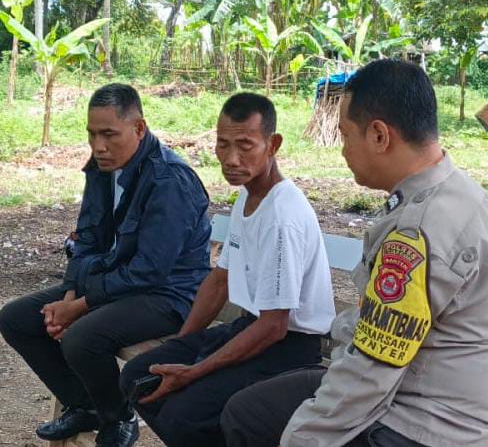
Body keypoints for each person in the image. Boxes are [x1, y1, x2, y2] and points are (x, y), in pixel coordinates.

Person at [220, 59, 488, 447]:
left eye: (346, 136)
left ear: (379, 135)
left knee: (264, 423)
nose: (344, 151)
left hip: (419, 421)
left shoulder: (417, 231)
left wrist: (302, 436)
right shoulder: (460, 191)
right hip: (425, 390)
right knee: (250, 409)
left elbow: (374, 368)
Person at [0, 84, 212, 447]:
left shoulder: (170, 180)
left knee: (82, 337)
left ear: (138, 128)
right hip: (116, 283)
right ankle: (87, 405)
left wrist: (79, 307)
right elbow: (87, 239)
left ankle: (119, 416)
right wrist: (69, 294)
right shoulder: (102, 169)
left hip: (170, 295)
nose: (99, 146)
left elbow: (149, 271)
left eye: (109, 134)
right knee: (16, 319)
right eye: (92, 134)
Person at [118, 92, 336, 447]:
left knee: (183, 415)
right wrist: (182, 344)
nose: (231, 159)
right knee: (139, 377)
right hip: (248, 328)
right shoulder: (248, 195)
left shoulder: (282, 216)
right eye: (223, 144)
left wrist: (193, 371)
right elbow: (220, 280)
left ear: (272, 145)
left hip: (288, 349)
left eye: (245, 146)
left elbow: (274, 326)